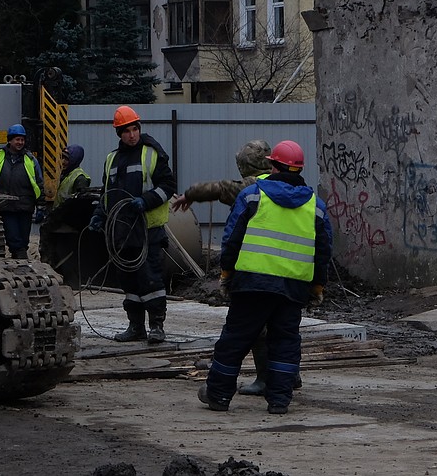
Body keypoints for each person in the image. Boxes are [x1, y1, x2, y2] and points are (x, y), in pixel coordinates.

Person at [198, 139, 332, 415]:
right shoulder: (315, 206)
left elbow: (232, 237)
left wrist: (227, 273)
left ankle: (218, 396)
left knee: (235, 339)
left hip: (252, 284)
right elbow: (323, 250)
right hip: (294, 287)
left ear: (272, 165)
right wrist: (317, 285)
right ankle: (279, 400)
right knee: (285, 342)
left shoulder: (253, 195)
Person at [171, 139, 283, 396]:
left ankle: (260, 380)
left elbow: (218, 188)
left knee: (252, 329)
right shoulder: (286, 186)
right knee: (282, 325)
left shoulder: (252, 187)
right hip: (286, 269)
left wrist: (189, 194)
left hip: (256, 269)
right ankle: (287, 375)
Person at [90, 105, 176, 344]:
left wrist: (145, 201)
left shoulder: (151, 153)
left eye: (135, 129)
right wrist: (100, 214)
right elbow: (108, 193)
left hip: (147, 229)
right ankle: (136, 327)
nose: (132, 134)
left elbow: (168, 186)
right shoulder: (111, 159)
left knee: (150, 278)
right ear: (119, 133)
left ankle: (156, 326)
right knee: (129, 280)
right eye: (126, 131)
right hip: (122, 231)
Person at [0, 123, 42, 260]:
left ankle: (19, 256)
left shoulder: (30, 160)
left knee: (24, 237)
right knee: (13, 236)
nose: (20, 142)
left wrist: (41, 205)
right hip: (6, 205)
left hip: (25, 205)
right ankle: (20, 257)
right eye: (17, 139)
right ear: (10, 140)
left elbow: (38, 182)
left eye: (22, 140)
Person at [39, 145, 96, 269]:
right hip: (61, 216)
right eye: (63, 158)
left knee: (48, 232)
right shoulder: (67, 174)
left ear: (75, 160)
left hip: (69, 220)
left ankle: (50, 264)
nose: (63, 162)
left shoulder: (80, 178)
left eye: (67, 159)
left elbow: (78, 204)